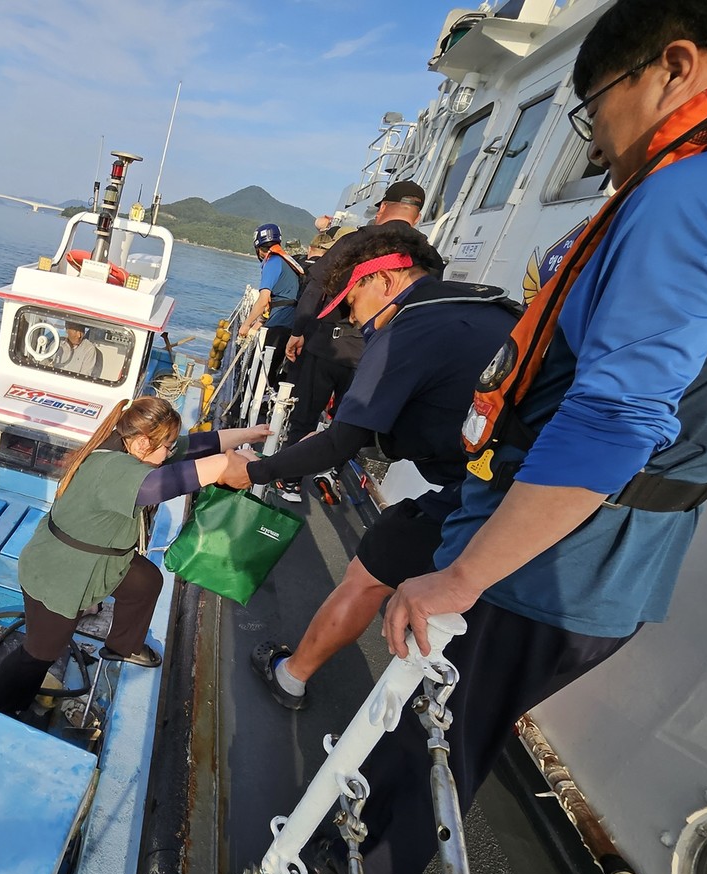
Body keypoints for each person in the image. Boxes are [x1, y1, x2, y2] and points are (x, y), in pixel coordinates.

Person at [311, 2, 707, 874]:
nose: (599, 145)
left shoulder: (679, 197)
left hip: (549, 571)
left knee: (445, 725)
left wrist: (459, 574)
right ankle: (377, 856)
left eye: (593, 109)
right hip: (606, 568)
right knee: (462, 721)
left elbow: (615, 419)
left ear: (672, 68)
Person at [220, 229, 519, 711]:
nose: (350, 317)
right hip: (521, 486)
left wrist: (253, 471)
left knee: (371, 566)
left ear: (383, 279)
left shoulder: (406, 329)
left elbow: (340, 442)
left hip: (488, 494)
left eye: (351, 301)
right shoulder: (484, 306)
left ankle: (291, 677)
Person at [0, 398, 265, 717]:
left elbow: (194, 445)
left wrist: (248, 434)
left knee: (145, 582)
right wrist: (227, 465)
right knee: (39, 653)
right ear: (143, 441)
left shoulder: (131, 442)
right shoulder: (114, 467)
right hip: (59, 574)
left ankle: (122, 647)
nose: (170, 454)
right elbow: (159, 486)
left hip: (99, 559)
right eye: (166, 448)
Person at [276, 182, 441, 502]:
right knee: (347, 423)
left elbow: (315, 288)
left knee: (305, 416)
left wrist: (298, 331)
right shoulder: (429, 258)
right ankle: (331, 470)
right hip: (375, 356)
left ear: (381, 209)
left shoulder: (355, 241)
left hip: (327, 346)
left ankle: (290, 480)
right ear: (417, 217)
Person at [238, 223, 303, 391]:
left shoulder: (273, 261)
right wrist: (258, 322)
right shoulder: (285, 261)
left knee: (258, 370)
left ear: (258, 247)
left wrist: (246, 325)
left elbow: (263, 299)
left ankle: (243, 412)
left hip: (280, 323)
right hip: (289, 323)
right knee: (270, 370)